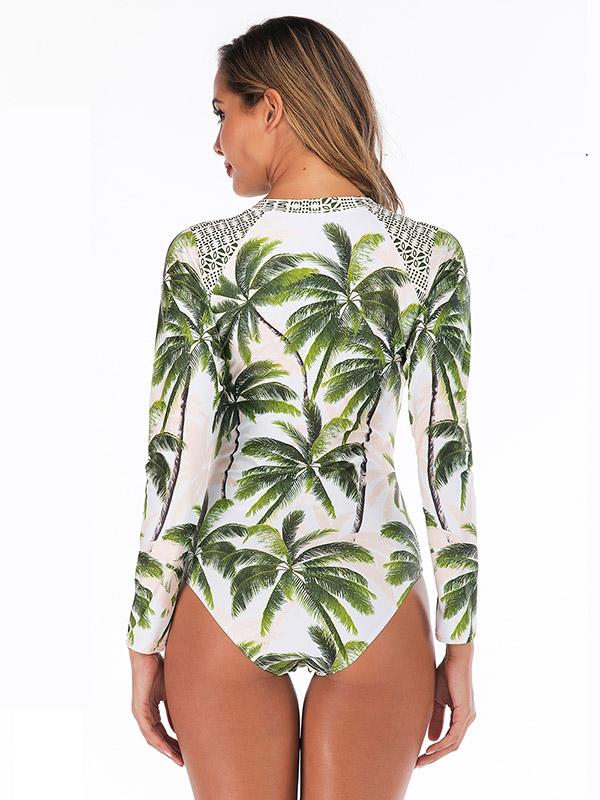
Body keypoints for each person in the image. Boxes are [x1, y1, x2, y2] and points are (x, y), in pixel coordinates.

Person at [126, 15, 478, 799]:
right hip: (375, 592)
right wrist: (459, 639)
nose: (217, 142)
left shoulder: (202, 258)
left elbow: (177, 460)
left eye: (223, 113)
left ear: (272, 107)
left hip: (225, 593)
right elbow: (445, 458)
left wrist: (145, 634)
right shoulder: (429, 258)